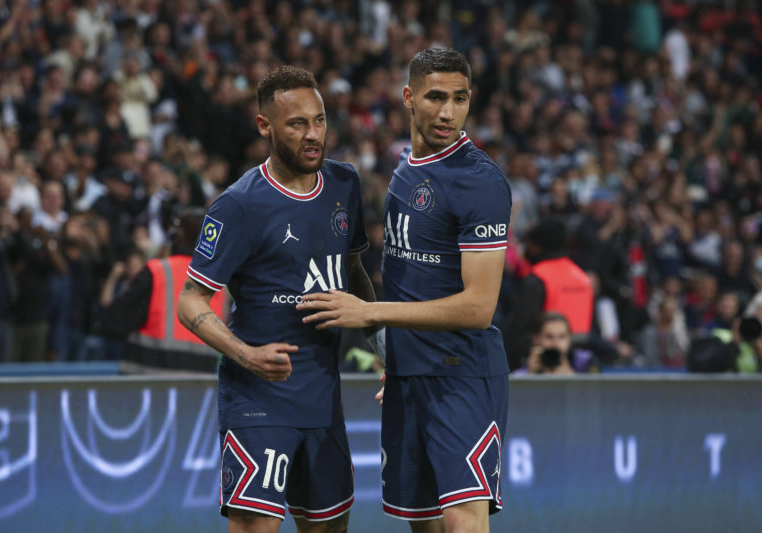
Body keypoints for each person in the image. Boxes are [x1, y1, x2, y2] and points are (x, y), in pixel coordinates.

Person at [298, 48, 511, 533]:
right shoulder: (405, 168)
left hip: (463, 375)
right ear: (408, 98)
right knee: (423, 525)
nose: (447, 111)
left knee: (462, 522)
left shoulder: (480, 183)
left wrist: (371, 315)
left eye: (460, 99)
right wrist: (400, 357)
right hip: (410, 374)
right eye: (436, 97)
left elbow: (479, 307)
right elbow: (412, 280)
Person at [176, 66, 374, 533]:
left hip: (324, 396)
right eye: (297, 124)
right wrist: (246, 354)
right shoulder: (239, 206)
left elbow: (354, 273)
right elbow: (190, 301)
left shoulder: (345, 185)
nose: (313, 135)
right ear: (265, 126)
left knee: (328, 527)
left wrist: (384, 350)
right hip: (258, 398)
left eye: (320, 120)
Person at [96, 207, 226, 372]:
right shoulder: (220, 286)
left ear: (176, 236)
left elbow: (112, 324)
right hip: (198, 392)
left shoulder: (157, 271)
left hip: (149, 387)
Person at [502, 217, 594, 371]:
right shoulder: (583, 278)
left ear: (539, 246)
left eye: (529, 244)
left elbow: (518, 330)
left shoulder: (537, 278)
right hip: (578, 362)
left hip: (541, 364)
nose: (526, 249)